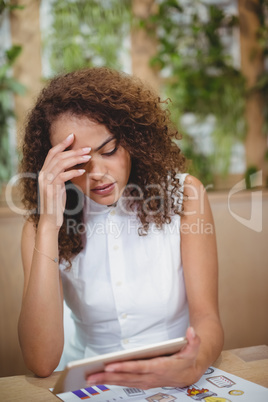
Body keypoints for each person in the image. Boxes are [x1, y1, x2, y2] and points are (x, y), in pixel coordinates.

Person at [18, 67, 223, 389]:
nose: (97, 173)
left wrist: (194, 363)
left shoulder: (185, 196)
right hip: (91, 384)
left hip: (175, 374)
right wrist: (48, 224)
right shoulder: (41, 227)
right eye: (77, 163)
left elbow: (208, 319)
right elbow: (41, 362)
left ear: (133, 140)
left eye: (109, 151)